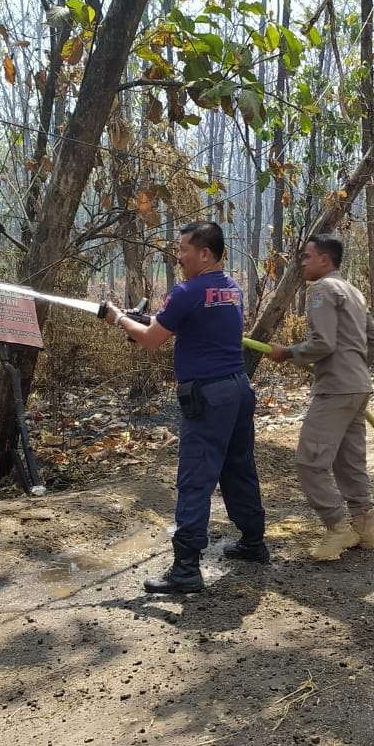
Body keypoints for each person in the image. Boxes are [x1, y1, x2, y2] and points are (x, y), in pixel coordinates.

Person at [103, 221, 267, 593]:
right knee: (239, 468)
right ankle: (254, 543)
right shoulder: (230, 288)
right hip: (238, 390)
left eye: (183, 251)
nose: (178, 258)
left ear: (205, 253)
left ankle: (185, 570)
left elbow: (150, 341)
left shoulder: (187, 291)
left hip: (208, 397)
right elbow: (192, 324)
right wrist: (146, 319)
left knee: (195, 478)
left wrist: (117, 318)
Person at [266, 234, 374, 560]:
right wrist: (354, 366)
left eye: (306, 256)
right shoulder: (353, 292)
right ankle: (365, 529)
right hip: (358, 387)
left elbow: (323, 344)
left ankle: (338, 528)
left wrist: (287, 352)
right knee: (350, 463)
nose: (302, 262)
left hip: (336, 389)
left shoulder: (321, 290)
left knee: (309, 463)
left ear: (325, 260)